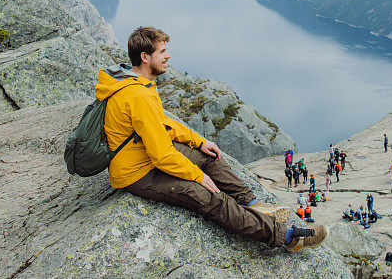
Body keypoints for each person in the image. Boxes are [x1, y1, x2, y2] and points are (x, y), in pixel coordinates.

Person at [103, 26, 327, 250]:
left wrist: (200, 142)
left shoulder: (140, 83)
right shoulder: (137, 95)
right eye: (162, 51)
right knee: (207, 196)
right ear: (145, 57)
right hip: (137, 173)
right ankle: (288, 236)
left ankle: (253, 204)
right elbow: (161, 155)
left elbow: (164, 124)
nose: (168, 55)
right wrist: (197, 176)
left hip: (145, 154)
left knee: (208, 156)